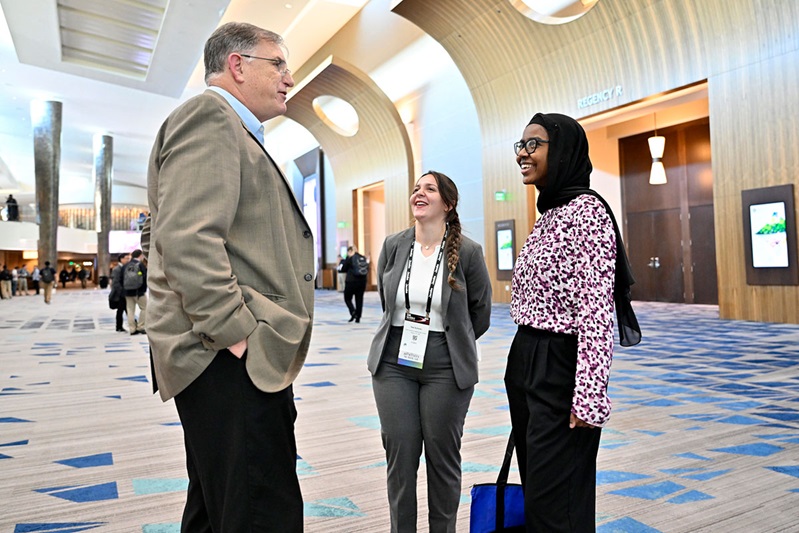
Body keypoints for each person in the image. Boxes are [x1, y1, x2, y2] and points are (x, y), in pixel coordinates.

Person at [141, 22, 314, 532]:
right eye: (278, 64)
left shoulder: (233, 128)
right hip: (226, 355)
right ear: (237, 66)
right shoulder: (210, 116)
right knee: (261, 511)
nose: (288, 77)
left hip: (226, 355)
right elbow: (187, 241)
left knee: (220, 508)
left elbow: (163, 235)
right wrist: (236, 335)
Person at [505, 113, 641, 532]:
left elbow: (596, 312)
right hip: (529, 360)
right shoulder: (549, 212)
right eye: (520, 146)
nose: (523, 155)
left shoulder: (588, 212)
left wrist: (589, 397)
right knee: (539, 493)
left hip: (560, 367)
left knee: (556, 503)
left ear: (562, 151)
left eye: (535, 145)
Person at [368, 171, 492, 532]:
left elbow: (479, 313)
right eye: (416, 189)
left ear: (447, 204)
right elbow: (387, 303)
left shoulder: (468, 252)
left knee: (442, 460)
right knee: (401, 457)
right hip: (393, 360)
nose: (419, 193)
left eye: (430, 189)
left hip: (445, 366)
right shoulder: (394, 245)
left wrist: (452, 343)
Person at [339, 245, 368, 322]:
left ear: (350, 251)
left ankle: (353, 312)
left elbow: (343, 269)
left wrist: (346, 260)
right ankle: (358, 317)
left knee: (347, 298)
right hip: (362, 282)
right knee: (359, 299)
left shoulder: (350, 259)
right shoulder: (363, 258)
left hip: (351, 282)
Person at [123, 249, 148, 335]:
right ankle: (141, 326)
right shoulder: (140, 265)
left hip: (127, 292)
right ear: (140, 255)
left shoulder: (126, 265)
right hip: (139, 292)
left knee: (130, 310)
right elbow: (145, 277)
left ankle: (132, 329)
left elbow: (121, 278)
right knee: (145, 308)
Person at [110, 253, 130, 332]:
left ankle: (121, 326)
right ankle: (119, 326)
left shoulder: (125, 267)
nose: (128, 260)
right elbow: (116, 283)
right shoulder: (117, 269)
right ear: (121, 259)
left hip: (124, 293)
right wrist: (122, 292)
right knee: (121, 310)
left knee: (125, 310)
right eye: (126, 258)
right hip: (120, 294)